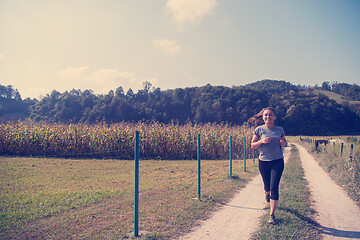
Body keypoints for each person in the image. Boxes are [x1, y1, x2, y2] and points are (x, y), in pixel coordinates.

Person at [250, 107, 287, 224]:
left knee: (274, 186)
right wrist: (261, 141)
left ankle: (272, 215)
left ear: (274, 117)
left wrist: (283, 143)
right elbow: (252, 145)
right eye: (266, 115)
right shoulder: (259, 130)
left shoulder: (279, 129)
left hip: (277, 161)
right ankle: (266, 192)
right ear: (263, 117)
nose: (268, 117)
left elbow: (285, 142)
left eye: (270, 115)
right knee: (267, 186)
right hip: (264, 162)